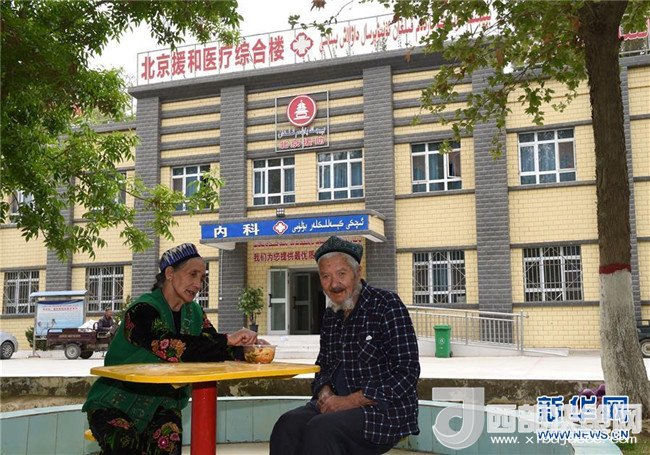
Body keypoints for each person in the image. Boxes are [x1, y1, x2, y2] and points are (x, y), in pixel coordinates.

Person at [83, 243, 259, 455]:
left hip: (163, 405)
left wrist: (250, 350)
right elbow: (170, 346)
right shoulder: (141, 311)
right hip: (114, 403)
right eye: (192, 274)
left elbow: (212, 348)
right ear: (169, 273)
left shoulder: (195, 313)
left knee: (168, 446)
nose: (198, 284)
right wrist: (228, 340)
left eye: (202, 278)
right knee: (126, 447)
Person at [270, 236, 420, 455]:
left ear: (358, 272)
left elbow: (407, 371)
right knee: (287, 425)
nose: (334, 284)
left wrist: (349, 401)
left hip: (381, 409)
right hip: (335, 404)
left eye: (341, 274)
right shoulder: (331, 315)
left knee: (321, 430)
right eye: (326, 276)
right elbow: (323, 365)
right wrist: (324, 392)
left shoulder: (387, 304)